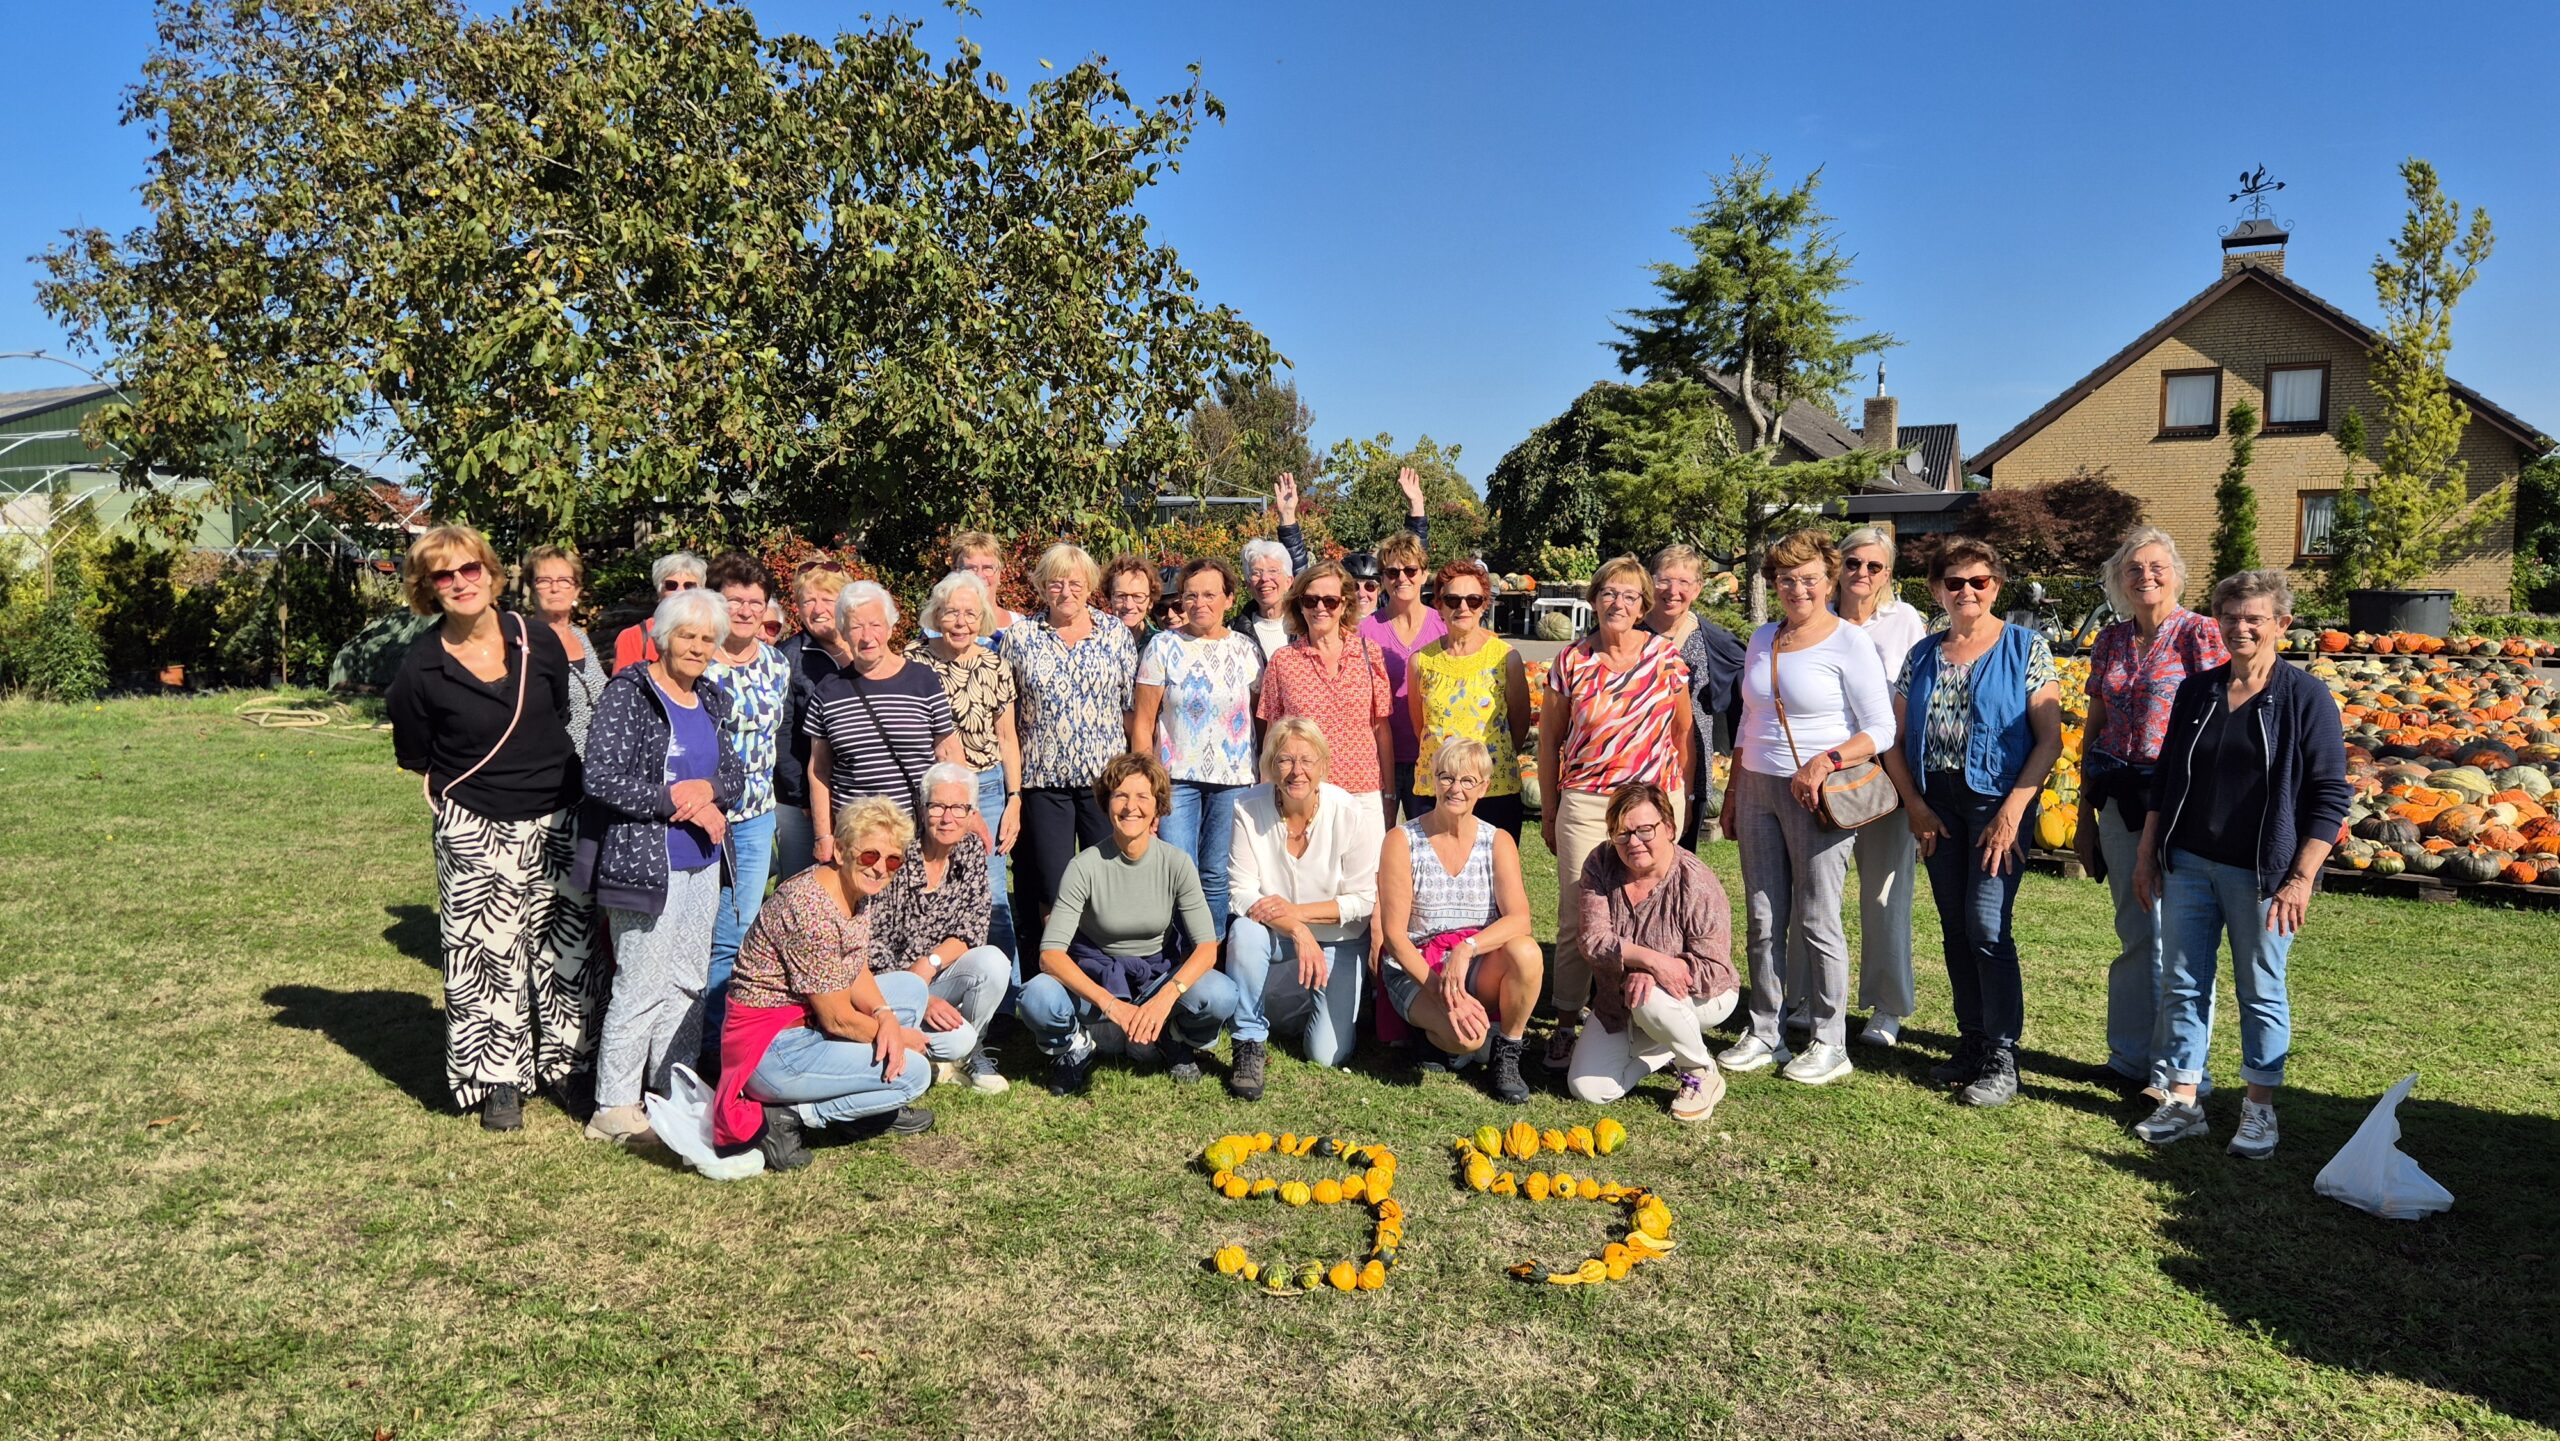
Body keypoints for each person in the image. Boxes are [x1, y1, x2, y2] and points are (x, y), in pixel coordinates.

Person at [388, 525, 599, 1132]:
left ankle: (569, 1067)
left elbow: (557, 713)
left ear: (491, 573)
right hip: (475, 821)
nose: (460, 584)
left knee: (567, 947)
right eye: (443, 576)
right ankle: (497, 1080)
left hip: (559, 810)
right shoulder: (420, 669)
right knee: (486, 953)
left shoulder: (537, 641)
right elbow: (417, 753)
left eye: (469, 570)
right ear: (428, 588)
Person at [2131, 570, 2347, 1158]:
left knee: (2261, 988)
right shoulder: (2197, 691)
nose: (2241, 627)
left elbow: (2331, 795)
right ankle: (2183, 1099)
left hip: (2263, 875)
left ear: (2282, 624)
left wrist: (2300, 878)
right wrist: (2149, 854)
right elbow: (2168, 779)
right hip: (2190, 865)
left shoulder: (2305, 697)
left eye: (2255, 617)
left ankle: (2259, 1110)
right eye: (2231, 616)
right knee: (2182, 982)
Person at [1879, 537, 2063, 1108]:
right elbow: (1894, 738)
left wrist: (2013, 811)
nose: (1966, 592)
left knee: (1986, 926)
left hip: (1996, 806)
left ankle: (2004, 1055)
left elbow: (2050, 738)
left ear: (1996, 587)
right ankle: (1972, 1042)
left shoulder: (2026, 648)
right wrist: (1914, 804)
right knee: (1956, 928)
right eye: (1954, 582)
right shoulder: (1924, 655)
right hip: (1939, 807)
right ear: (1937, 589)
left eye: (1978, 582)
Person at [1717, 530, 1896, 1089]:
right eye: (1787, 579)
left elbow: (1882, 727)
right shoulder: (1763, 637)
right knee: (1764, 916)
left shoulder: (1848, 642)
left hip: (1817, 793)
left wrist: (1826, 761)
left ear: (1830, 580)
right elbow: (1749, 719)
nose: (1798, 589)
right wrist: (1733, 790)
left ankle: (1829, 1039)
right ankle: (1766, 1028)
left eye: (1810, 578)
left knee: (1819, 919)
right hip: (1758, 788)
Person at [575, 586, 745, 1145]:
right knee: (642, 981)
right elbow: (599, 777)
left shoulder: (714, 700)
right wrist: (675, 798)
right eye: (687, 635)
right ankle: (614, 1105)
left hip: (703, 862)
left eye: (707, 638)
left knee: (689, 981)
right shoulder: (631, 694)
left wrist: (707, 790)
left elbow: (737, 776)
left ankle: (673, 1091)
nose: (697, 646)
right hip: (644, 863)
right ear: (662, 637)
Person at [2079, 526, 2229, 1100]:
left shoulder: (2200, 635)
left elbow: (2221, 716)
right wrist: (2086, 807)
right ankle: (2130, 1058)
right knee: (2136, 931)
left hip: (2180, 803)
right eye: (2133, 568)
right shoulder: (2111, 641)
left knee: (2178, 940)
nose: (2146, 576)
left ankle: (2181, 1074)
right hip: (2119, 795)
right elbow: (2095, 722)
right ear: (2119, 580)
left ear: (2177, 574)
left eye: (2157, 566)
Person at [715, 797, 940, 1173]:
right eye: (869, 856)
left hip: (806, 1025)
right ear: (839, 850)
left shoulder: (852, 891)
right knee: (914, 1074)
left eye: (892, 860)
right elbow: (837, 1019)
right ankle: (792, 1116)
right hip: (772, 1050)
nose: (880, 869)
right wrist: (899, 1037)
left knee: (911, 991)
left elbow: (855, 967)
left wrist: (885, 1016)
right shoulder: (812, 909)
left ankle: (869, 1105)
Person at [1539, 556, 1693, 1070]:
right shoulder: (1571, 661)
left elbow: (1682, 735)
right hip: (1584, 802)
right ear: (1594, 599)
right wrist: (1549, 808)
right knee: (1577, 916)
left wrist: (1679, 805)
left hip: (1648, 805)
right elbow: (1550, 742)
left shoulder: (1666, 658)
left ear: (1644, 605)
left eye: (1630, 596)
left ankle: (1652, 1018)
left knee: (1651, 913)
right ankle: (1566, 1021)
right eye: (1609, 593)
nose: (1618, 603)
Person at [1016, 752, 1240, 1094]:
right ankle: (1073, 1046)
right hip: (1098, 979)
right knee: (1036, 996)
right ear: (1107, 804)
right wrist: (1111, 1005)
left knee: (1221, 993)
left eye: (1142, 797)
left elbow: (1207, 948)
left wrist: (1165, 998)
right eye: (1120, 795)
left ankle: (1172, 1036)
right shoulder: (1084, 866)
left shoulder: (1176, 863)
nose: (1130, 806)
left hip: (1156, 977)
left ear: (1158, 807)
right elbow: (1050, 956)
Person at [1376, 737, 1543, 1103]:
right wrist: (1442, 992)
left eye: (1468, 780)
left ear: (1483, 787)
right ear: (1432, 781)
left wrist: (1468, 949)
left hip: (1473, 961)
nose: (1456, 788)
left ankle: (1508, 1052)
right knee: (1468, 1038)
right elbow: (1394, 936)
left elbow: (1520, 920)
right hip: (1417, 968)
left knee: (1527, 952)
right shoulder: (1402, 840)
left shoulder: (1497, 841)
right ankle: (1431, 1032)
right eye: (1446, 777)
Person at [1223, 718, 1382, 1097]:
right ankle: (1248, 1041)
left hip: (1339, 939)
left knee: (1327, 1054)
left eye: (1307, 760)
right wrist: (1295, 928)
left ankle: (1326, 1005)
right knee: (1244, 932)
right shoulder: (1247, 806)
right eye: (1285, 760)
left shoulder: (1348, 811)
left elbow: (1364, 899)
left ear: (1323, 765)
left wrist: (1300, 915)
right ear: (1270, 765)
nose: (1297, 771)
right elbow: (1239, 892)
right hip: (1276, 933)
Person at [1565, 781, 1737, 1122]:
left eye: (1645, 830)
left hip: (1703, 995)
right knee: (1588, 1088)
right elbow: (1591, 939)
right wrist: (1650, 961)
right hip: (1621, 1001)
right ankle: (1665, 1049)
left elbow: (1714, 969)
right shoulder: (1600, 862)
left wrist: (1656, 975)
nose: (1634, 842)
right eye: (1622, 833)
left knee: (1650, 999)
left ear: (1669, 828)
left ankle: (1700, 1072)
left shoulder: (1696, 882)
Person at [1821, 526, 1931, 1048]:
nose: (1861, 573)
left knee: (1886, 895)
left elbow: (1916, 702)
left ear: (1889, 574)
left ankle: (1887, 1007)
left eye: (1875, 566)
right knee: (1814, 893)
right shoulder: (1815, 616)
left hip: (1885, 778)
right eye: (1852, 563)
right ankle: (1812, 997)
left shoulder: (1905, 621)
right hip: (1822, 776)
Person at [1003, 543, 1139, 928]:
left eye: (1076, 584)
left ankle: (1108, 969)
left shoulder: (1114, 633)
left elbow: (1130, 709)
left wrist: (1137, 774)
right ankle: (1055, 969)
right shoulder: (1021, 637)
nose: (1066, 593)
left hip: (1104, 781)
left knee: (1109, 880)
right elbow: (1007, 717)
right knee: (1055, 887)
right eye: (1056, 584)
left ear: (1090, 585)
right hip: (1044, 782)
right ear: (1043, 586)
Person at [1131, 557, 1264, 943]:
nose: (1198, 603)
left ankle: (1211, 958)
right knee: (1177, 869)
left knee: (1216, 873)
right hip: (1176, 780)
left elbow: (1260, 720)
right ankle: (1175, 960)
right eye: (1191, 595)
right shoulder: (1162, 647)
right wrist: (1146, 785)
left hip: (1235, 780)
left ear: (1228, 599)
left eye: (1209, 594)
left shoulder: (1246, 651)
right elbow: (1143, 722)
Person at [866, 764, 1017, 1093]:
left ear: (971, 813)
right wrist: (916, 990)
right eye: (937, 806)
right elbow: (871, 944)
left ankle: (968, 1053)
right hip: (884, 986)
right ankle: (918, 1052)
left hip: (934, 976)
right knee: (953, 1036)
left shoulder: (972, 851)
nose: (947, 818)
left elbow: (973, 927)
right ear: (922, 809)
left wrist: (930, 964)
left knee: (993, 962)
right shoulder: (898, 857)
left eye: (958, 808)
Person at [700, 552, 793, 1073]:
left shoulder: (775, 663)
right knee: (695, 929)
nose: (745, 610)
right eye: (734, 600)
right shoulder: (695, 657)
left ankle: (720, 1046)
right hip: (698, 816)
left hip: (755, 817)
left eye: (755, 602)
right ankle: (693, 1036)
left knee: (739, 927)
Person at [908, 571, 1024, 964]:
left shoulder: (995, 665)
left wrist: (1014, 798)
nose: (961, 622)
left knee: (989, 891)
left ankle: (1005, 1002)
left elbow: (1007, 738)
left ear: (983, 619)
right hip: (928, 794)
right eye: (952, 612)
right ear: (936, 615)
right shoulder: (914, 662)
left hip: (987, 788)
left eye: (970, 614)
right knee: (924, 883)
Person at [805, 581, 962, 855]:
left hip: (917, 834)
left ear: (890, 627)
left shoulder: (923, 681)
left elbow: (949, 754)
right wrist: (823, 836)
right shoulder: (828, 692)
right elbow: (819, 770)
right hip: (856, 838)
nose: (867, 637)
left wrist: (964, 814)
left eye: (875, 625)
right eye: (856, 627)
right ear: (842, 632)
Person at [1258, 561, 1395, 829]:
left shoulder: (1369, 654)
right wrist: (1267, 793)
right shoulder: (1283, 661)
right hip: (1304, 789)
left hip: (1362, 790)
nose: (1320, 608)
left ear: (1344, 605)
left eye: (1330, 601)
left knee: (1367, 871)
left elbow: (1381, 728)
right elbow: (1272, 736)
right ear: (1300, 604)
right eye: (1311, 601)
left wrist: (1388, 794)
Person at [1409, 559, 1532, 839]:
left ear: (1484, 605)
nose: (1463, 607)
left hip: (1492, 789)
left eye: (1473, 600)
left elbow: (1518, 725)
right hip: (1436, 789)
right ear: (1439, 605)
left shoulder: (1505, 658)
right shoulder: (1420, 661)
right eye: (1452, 600)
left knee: (1494, 875)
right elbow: (1422, 727)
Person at [1643, 544, 1746, 849]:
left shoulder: (1716, 643)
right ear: (1650, 582)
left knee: (1678, 861)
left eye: (1684, 582)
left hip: (1690, 771)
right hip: (1633, 765)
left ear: (1698, 589)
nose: (1673, 590)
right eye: (1663, 580)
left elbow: (1746, 710)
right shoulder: (1626, 633)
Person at [1359, 527, 1446, 821]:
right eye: (1392, 572)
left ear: (1424, 573)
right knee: (1378, 848)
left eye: (1410, 570)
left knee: (1427, 847)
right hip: (1379, 757)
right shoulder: (1365, 631)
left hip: (1431, 756)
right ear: (1382, 579)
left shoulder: (1444, 627)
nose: (1402, 579)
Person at [773, 561, 854, 878]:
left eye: (827, 598)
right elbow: (782, 735)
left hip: (855, 790)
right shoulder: (790, 657)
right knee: (804, 881)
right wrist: (802, 797)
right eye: (808, 600)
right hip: (804, 802)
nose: (818, 609)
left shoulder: (864, 644)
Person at [521, 544, 607, 757]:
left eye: (564, 581)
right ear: (532, 588)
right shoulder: (522, 642)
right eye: (544, 581)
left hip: (596, 763)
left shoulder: (580, 636)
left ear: (576, 589)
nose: (555, 588)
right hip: (550, 764)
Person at [613, 550, 705, 670]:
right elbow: (621, 687)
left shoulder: (712, 632)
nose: (680, 591)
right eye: (671, 585)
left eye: (689, 586)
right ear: (659, 590)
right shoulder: (632, 638)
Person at [950, 532, 1021, 638]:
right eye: (970, 568)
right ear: (955, 572)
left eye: (987, 568)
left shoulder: (1023, 628)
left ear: (1000, 574)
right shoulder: (938, 631)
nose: (979, 576)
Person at [1101, 553, 1162, 649]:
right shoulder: (1098, 643)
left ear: (1150, 601)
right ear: (1110, 598)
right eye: (1121, 595)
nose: (1129, 605)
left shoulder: (1161, 644)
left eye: (1137, 596)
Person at [1341, 551, 1384, 621]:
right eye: (1354, 586)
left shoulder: (1391, 625)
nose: (1361, 594)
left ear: (1379, 590)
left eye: (1370, 586)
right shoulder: (1333, 628)